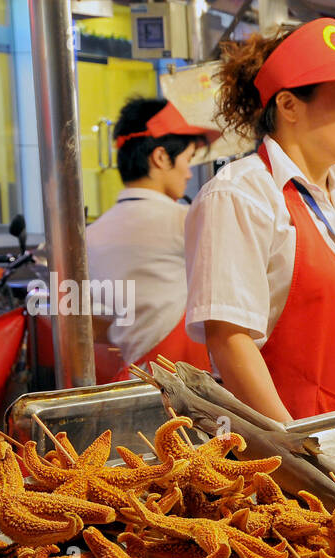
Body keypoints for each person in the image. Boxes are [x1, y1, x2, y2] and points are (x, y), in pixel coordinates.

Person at [184, 19, 335, 423]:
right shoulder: (241, 195)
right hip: (300, 463)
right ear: (289, 105)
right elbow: (230, 341)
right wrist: (300, 450)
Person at [86, 98, 218, 380]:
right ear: (160, 157)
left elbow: (97, 324)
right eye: (187, 159)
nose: (188, 172)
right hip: (183, 383)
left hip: (131, 380)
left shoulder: (92, 233)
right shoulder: (184, 220)